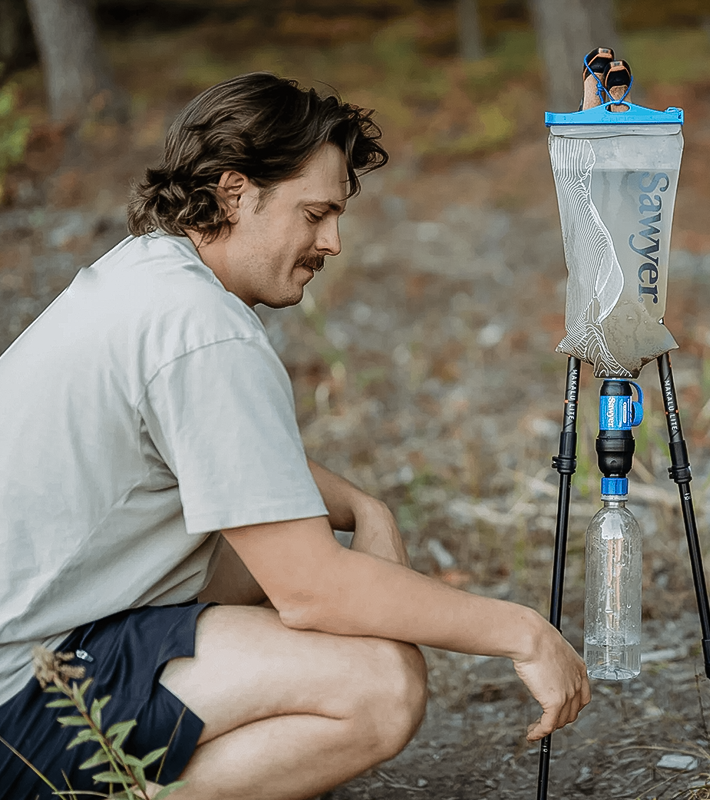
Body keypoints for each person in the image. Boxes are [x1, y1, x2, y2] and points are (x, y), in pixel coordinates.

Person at [0, 73, 590, 800]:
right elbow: (314, 591)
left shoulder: (147, 279)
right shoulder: (202, 331)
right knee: (377, 686)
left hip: (41, 640)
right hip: (23, 697)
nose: (333, 242)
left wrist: (364, 509)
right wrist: (524, 631)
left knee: (254, 560)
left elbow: (238, 462)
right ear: (236, 191)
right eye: (315, 214)